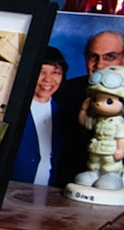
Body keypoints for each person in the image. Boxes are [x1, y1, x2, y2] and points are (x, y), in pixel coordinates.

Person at [72, 65, 124, 193]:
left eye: (109, 101)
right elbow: (85, 123)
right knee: (94, 162)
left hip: (110, 152)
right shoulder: (98, 119)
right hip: (96, 149)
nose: (99, 104)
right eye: (95, 99)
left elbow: (123, 136)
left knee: (109, 165)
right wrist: (84, 110)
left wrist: (121, 150)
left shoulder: (119, 122)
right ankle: (93, 173)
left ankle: (111, 176)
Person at [12, 46, 77, 185]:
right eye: (40, 71)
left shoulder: (66, 115)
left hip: (47, 195)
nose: (48, 79)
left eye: (55, 72)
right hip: (13, 191)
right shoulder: (13, 110)